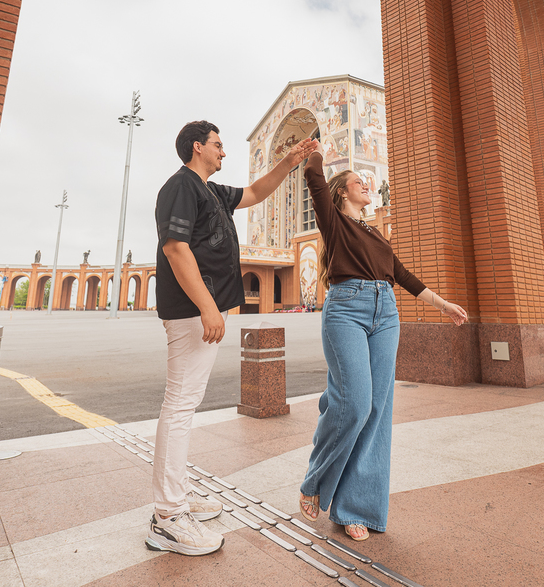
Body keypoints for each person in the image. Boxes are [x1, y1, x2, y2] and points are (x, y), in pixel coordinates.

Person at [146, 120, 316, 556]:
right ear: (197, 147)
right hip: (190, 312)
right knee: (181, 403)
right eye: (218, 145)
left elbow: (257, 193)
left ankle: (176, 496)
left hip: (202, 310)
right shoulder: (180, 186)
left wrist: (290, 161)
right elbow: (175, 248)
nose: (224, 152)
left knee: (185, 401)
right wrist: (206, 306)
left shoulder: (212, 191)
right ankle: (167, 516)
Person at [297, 140, 466, 541]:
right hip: (346, 310)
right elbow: (314, 179)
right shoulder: (334, 222)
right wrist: (316, 152)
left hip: (387, 313)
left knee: (376, 410)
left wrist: (443, 306)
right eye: (359, 181)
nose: (367, 184)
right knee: (354, 404)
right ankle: (315, 483)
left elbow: (403, 276)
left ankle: (354, 506)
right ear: (343, 193)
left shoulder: (374, 233)